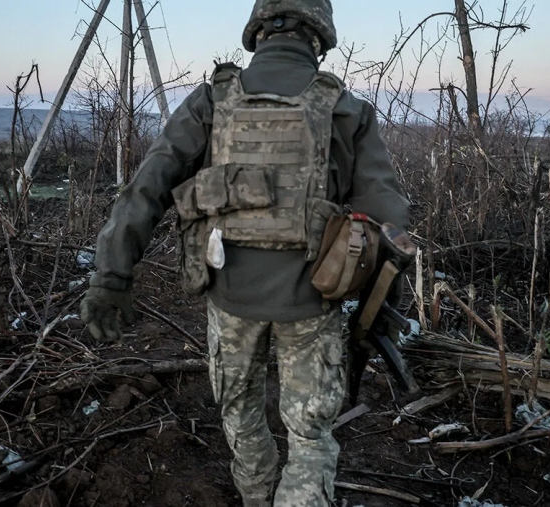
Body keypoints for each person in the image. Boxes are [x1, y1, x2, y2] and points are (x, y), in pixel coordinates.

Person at [80, 1, 410, 505]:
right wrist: (385, 310)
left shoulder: (213, 99)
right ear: (319, 37)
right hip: (313, 300)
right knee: (310, 437)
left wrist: (111, 275)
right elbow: (389, 223)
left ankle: (256, 497)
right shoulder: (344, 107)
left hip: (229, 296)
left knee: (240, 416)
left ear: (257, 31)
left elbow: (148, 185)